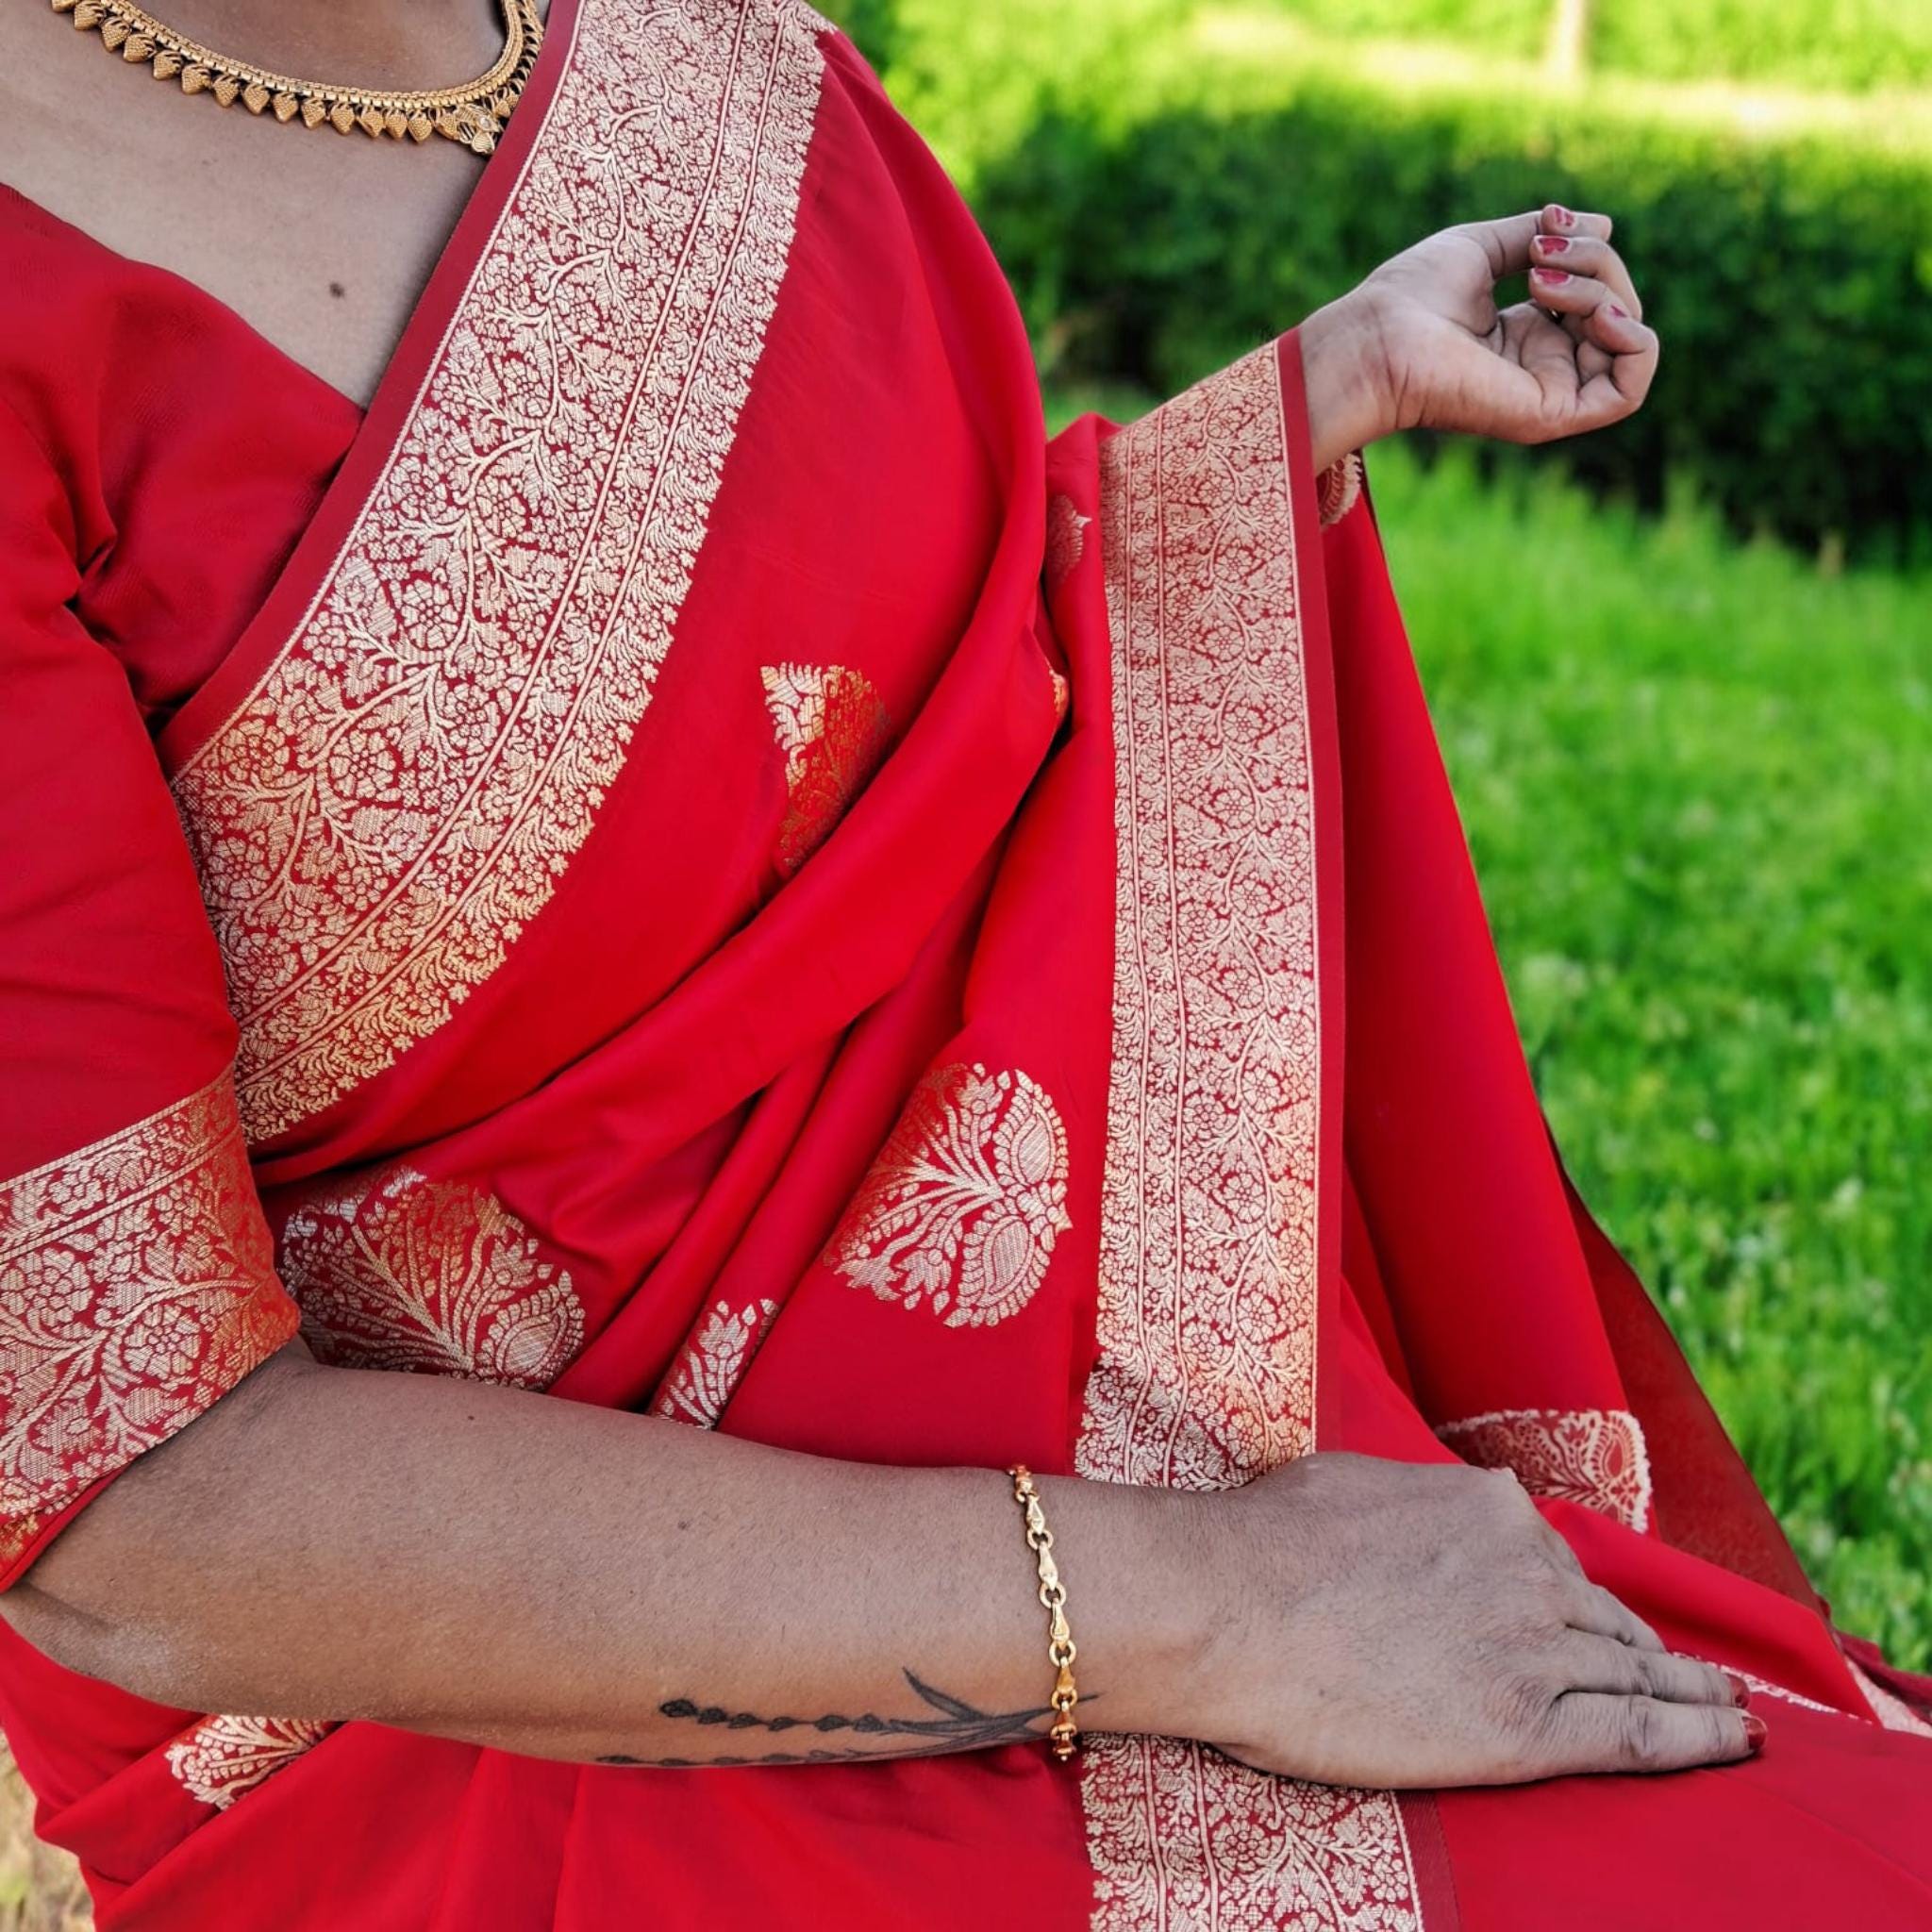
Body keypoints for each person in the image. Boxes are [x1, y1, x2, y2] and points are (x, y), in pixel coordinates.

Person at [1, 1, 1926, 1926]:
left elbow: (859, 713)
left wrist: (1283, 422)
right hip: (522, 1706)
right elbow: (141, 1508)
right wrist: (1217, 1607)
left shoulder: (667, 35)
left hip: (1144, 1418)